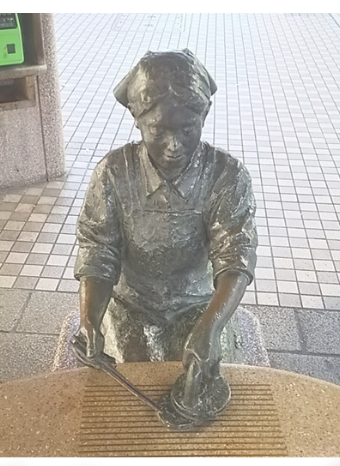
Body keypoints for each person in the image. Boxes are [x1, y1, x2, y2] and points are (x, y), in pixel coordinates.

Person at [73, 50, 257, 417]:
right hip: (131, 304)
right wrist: (90, 317)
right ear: (138, 121)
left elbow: (235, 254)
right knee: (129, 385)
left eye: (187, 130)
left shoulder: (227, 175)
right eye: (158, 131)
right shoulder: (112, 172)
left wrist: (211, 325)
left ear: (203, 116)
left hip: (199, 304)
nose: (174, 145)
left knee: (199, 383)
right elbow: (98, 250)